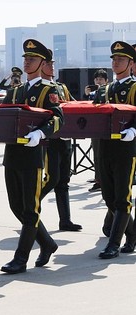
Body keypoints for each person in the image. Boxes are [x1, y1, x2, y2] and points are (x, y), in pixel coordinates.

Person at [0, 39, 63, 274]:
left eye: (32, 59)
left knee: (30, 209)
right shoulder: (15, 91)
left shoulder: (49, 90)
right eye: (26, 58)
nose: (27, 62)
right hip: (12, 155)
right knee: (16, 206)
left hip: (33, 156)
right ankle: (47, 243)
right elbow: (2, 118)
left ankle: (21, 259)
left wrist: (41, 132)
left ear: (43, 63)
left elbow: (58, 118)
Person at [92, 41, 136, 258]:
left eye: (120, 59)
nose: (116, 62)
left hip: (126, 149)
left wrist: (134, 130)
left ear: (130, 63)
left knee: (122, 197)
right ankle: (133, 234)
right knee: (109, 197)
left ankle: (113, 244)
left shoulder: (135, 87)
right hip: (105, 147)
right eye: (114, 59)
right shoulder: (104, 90)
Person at [39, 49, 83, 231]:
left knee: (63, 181)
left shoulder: (61, 87)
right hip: (50, 141)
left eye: (53, 63)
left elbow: (72, 105)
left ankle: (65, 220)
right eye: (49, 64)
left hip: (64, 139)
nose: (52, 67)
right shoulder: (39, 89)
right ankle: (28, 210)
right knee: (51, 179)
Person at [85, 69, 110, 193]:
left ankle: (102, 180)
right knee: (97, 155)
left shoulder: (109, 90)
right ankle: (98, 178)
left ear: (106, 80)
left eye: (101, 79)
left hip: (106, 127)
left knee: (103, 156)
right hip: (96, 127)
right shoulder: (96, 92)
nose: (98, 81)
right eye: (97, 79)